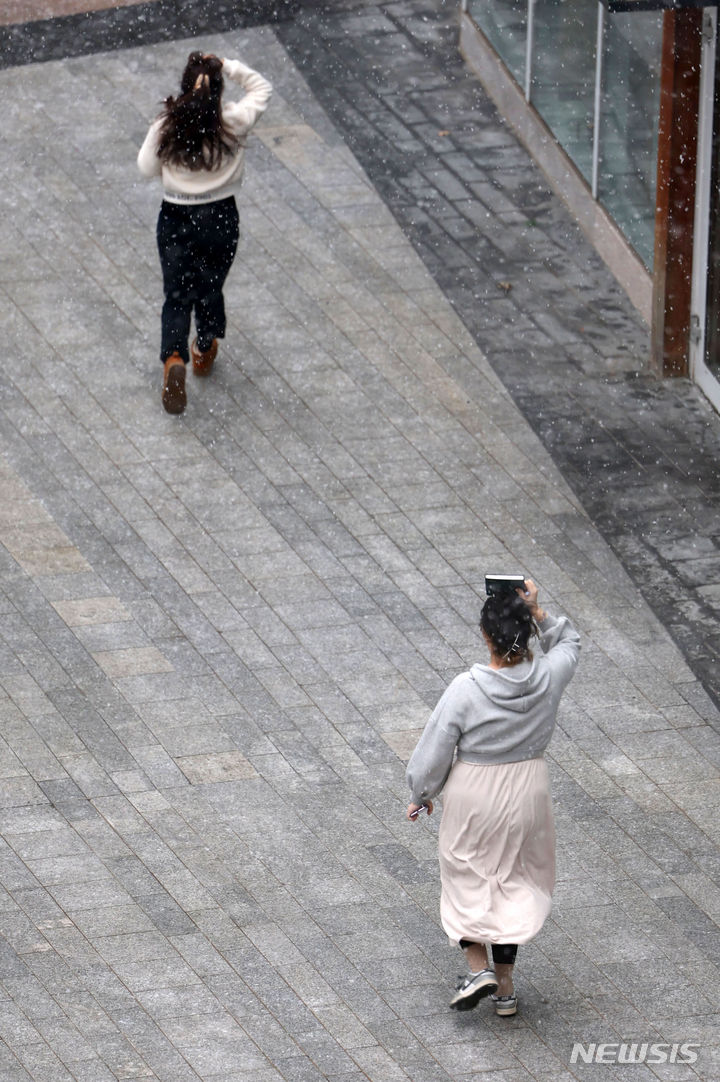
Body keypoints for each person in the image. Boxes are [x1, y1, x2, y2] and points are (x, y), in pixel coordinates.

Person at [406, 579, 580, 1015]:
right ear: (527, 632)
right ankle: (505, 988)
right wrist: (538, 611)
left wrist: (422, 793)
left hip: (476, 792)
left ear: (486, 636)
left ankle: (476, 967)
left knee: (465, 874)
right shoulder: (549, 676)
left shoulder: (466, 689)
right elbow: (570, 643)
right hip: (528, 790)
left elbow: (435, 749)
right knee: (514, 878)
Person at [137, 51, 272, 414]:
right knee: (210, 285)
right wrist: (227, 65)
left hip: (176, 216)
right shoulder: (232, 120)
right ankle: (204, 347)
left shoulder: (168, 123)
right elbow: (262, 89)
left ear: (184, 84)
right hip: (220, 217)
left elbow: (145, 167)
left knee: (177, 294)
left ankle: (174, 357)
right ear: (219, 89)